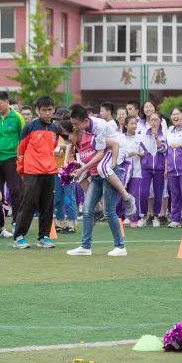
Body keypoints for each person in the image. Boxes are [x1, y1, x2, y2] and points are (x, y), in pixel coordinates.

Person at [61, 107, 128, 257]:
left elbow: (114, 145)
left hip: (108, 173)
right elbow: (73, 156)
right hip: (96, 177)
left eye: (67, 136)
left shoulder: (93, 134)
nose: (66, 140)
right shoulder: (75, 145)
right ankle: (85, 246)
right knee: (87, 210)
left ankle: (120, 246)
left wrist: (114, 163)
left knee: (109, 211)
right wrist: (73, 170)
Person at [13, 96, 60, 249]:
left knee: (47, 205)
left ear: (53, 110)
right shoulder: (30, 127)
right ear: (38, 111)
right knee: (27, 204)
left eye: (50, 110)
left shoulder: (55, 129)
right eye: (44, 110)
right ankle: (19, 236)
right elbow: (21, 149)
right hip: (32, 172)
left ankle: (44, 237)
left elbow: (52, 149)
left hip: (49, 172)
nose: (47, 113)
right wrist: (21, 169)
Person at [0, 91, 24, 229]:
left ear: (7, 102)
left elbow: (22, 138)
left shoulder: (17, 118)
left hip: (12, 158)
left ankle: (16, 222)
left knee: (16, 191)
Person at [138, 112, 167, 228]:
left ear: (160, 121)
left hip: (159, 168)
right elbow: (140, 149)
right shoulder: (143, 135)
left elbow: (163, 149)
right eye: (152, 120)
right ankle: (142, 216)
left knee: (158, 193)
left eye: (156, 120)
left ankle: (156, 216)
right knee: (144, 192)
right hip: (146, 168)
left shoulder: (164, 135)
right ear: (149, 122)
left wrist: (156, 137)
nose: (154, 122)